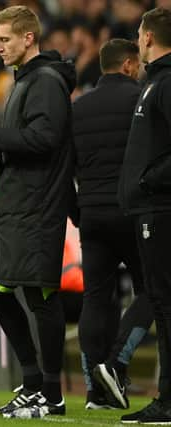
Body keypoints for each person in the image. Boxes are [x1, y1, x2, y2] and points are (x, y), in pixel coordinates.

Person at [0, 5, 76, 419]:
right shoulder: (26, 81)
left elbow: (45, 138)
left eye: (5, 40)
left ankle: (51, 393)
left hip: (38, 207)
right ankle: (32, 383)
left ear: (29, 38)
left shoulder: (45, 81)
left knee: (40, 295)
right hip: (18, 203)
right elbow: (28, 143)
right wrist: (0, 182)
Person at [72, 38, 154, 411]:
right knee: (153, 288)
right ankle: (117, 364)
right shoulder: (143, 100)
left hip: (92, 216)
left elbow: (64, 171)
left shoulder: (78, 108)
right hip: (135, 213)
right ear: (128, 65)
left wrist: (79, 214)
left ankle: (94, 391)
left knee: (96, 299)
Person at [115, 8, 171, 424]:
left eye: (139, 33)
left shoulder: (167, 83)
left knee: (166, 306)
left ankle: (168, 400)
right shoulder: (154, 81)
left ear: (149, 37)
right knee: (162, 305)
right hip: (149, 207)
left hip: (161, 209)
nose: (136, 39)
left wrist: (150, 181)